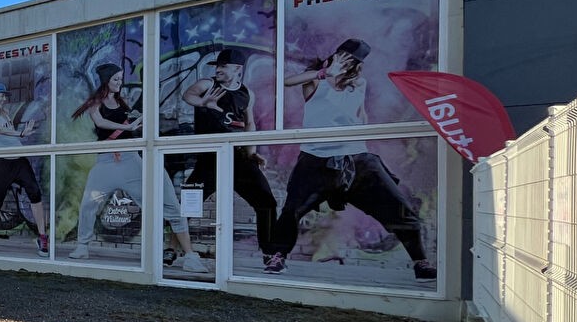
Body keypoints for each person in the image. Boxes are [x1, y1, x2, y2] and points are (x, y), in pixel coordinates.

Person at [263, 38, 436, 279]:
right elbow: (286, 81)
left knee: (399, 208)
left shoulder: (359, 84)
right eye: (341, 56)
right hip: (316, 159)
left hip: (356, 159)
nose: (344, 62)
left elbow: (361, 114)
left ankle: (420, 262)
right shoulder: (314, 80)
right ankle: (277, 257)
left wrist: (364, 134)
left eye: (350, 60)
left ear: (356, 65)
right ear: (333, 56)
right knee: (292, 210)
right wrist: (325, 73)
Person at [68, 63, 207, 272]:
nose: (119, 82)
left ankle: (189, 256)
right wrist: (127, 126)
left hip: (130, 161)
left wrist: (138, 123)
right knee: (89, 203)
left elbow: (135, 123)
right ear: (106, 80)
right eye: (116, 79)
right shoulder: (95, 103)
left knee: (165, 203)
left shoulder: (123, 103)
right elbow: (101, 122)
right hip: (105, 163)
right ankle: (82, 245)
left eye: (121, 78)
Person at [181, 47, 278, 263]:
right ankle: (169, 249)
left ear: (237, 69)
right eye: (217, 66)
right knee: (187, 205)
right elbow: (188, 95)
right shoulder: (208, 85)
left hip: (238, 158)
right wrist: (204, 103)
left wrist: (252, 152)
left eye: (223, 67)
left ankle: (270, 255)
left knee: (267, 202)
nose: (218, 70)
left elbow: (249, 123)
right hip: (210, 158)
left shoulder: (247, 93)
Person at [0, 83, 50, 254]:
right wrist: (20, 133)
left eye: (5, 96)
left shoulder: (5, 114)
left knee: (35, 193)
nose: (5, 99)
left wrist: (21, 135)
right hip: (2, 164)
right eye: (2, 96)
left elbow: (9, 135)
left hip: (19, 160)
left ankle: (42, 237)